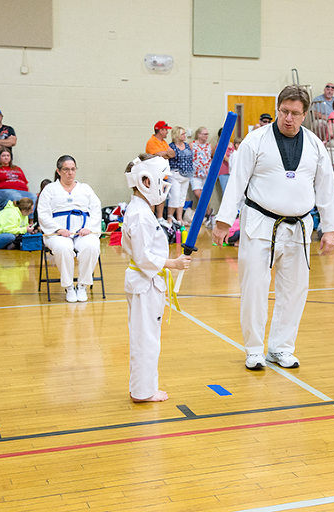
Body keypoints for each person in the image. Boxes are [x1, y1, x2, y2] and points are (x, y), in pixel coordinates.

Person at [212, 85, 334, 370]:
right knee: (254, 288)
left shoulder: (315, 145)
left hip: (299, 228)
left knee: (295, 290)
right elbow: (236, 182)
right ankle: (254, 349)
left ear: (305, 114)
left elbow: (326, 187)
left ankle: (281, 348)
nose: (289, 118)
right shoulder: (255, 140)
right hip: (260, 225)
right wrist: (223, 221)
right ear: (277, 110)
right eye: (284, 111)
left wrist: (331, 228)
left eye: (296, 113)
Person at [122, 154, 192, 402]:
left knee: (147, 337)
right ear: (145, 181)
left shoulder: (142, 210)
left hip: (146, 282)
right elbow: (143, 257)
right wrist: (173, 263)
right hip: (144, 283)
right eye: (161, 180)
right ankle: (143, 391)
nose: (164, 186)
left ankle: (143, 388)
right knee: (146, 339)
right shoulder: (140, 215)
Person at [37, 155, 102, 303]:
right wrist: (58, 229)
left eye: (73, 169)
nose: (70, 173)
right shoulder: (50, 189)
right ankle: (69, 287)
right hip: (57, 234)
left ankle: (82, 285)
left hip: (82, 232)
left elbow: (96, 210)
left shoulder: (85, 188)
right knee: (63, 247)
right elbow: (43, 214)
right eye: (66, 169)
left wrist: (89, 228)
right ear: (58, 171)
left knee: (92, 246)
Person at [0, 148, 36, 214]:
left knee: (33, 197)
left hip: (21, 192)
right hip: (2, 193)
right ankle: (10, 220)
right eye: (3, 156)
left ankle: (30, 221)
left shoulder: (17, 168)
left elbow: (25, 183)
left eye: (8, 156)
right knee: (15, 196)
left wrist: (27, 194)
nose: (6, 158)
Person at [166, 126, 194, 226]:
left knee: (182, 197)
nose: (184, 135)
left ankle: (179, 218)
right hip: (175, 174)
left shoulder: (187, 145)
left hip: (186, 175)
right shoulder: (171, 146)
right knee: (174, 196)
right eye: (182, 134)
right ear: (177, 135)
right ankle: (169, 217)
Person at [190, 126, 212, 220]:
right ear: (199, 135)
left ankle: (204, 214)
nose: (206, 136)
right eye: (204, 134)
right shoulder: (192, 144)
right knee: (198, 193)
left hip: (206, 173)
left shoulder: (209, 146)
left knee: (205, 193)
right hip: (195, 173)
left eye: (207, 134)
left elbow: (212, 157)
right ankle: (208, 211)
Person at [215, 126, 235, 195]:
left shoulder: (233, 145)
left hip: (232, 171)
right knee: (226, 192)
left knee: (233, 191)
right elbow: (225, 157)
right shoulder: (219, 145)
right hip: (224, 171)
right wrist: (234, 162)